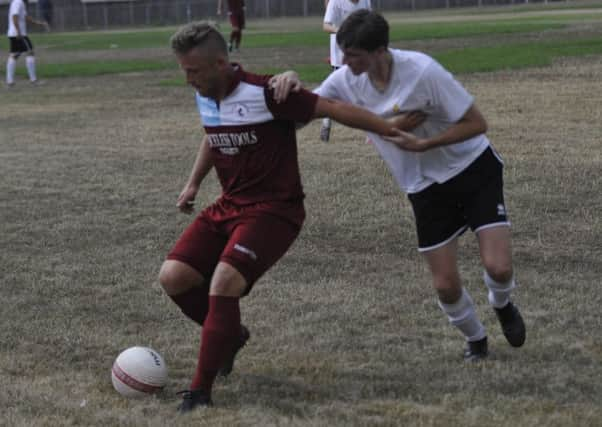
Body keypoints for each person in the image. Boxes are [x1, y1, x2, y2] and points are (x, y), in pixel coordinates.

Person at [162, 21, 415, 413]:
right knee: (174, 277)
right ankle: (230, 336)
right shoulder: (206, 94)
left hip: (274, 210)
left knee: (223, 281)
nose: (187, 79)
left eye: (193, 71)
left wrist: (391, 129)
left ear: (220, 62)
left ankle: (199, 392)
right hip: (229, 205)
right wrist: (193, 183)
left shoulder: (269, 93)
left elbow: (335, 109)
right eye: (184, 71)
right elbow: (213, 135)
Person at [270, 10, 526, 362]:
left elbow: (477, 124)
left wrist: (424, 144)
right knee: (445, 285)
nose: (344, 62)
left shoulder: (423, 71)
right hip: (423, 186)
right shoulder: (345, 79)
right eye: (343, 53)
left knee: (498, 267)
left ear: (380, 51)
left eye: (353, 55)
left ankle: (502, 303)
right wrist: (290, 79)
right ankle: (477, 340)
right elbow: (303, 113)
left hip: (471, 168)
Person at [320, 0, 371, 142]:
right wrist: (343, 31)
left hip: (361, 52)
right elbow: (326, 25)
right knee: (335, 94)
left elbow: (370, 21)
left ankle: (371, 131)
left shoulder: (365, 1)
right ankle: (326, 124)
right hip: (340, 56)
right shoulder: (335, 2)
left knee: (367, 89)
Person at [6, 0, 49, 87]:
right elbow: (14, 16)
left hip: (14, 33)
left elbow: (25, 17)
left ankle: (10, 81)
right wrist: (18, 31)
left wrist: (38, 23)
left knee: (15, 55)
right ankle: (33, 81)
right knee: (30, 52)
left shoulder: (20, 3)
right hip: (18, 34)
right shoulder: (18, 2)